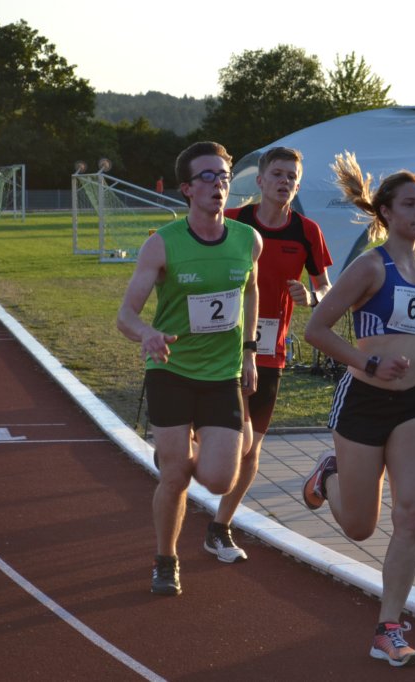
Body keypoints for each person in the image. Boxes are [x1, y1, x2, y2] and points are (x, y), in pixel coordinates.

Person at [301, 152, 415, 667]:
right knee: (360, 527)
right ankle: (329, 475)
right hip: (364, 400)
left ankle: (388, 627)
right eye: (410, 204)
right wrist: (367, 362)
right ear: (386, 213)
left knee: (411, 512)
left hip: (414, 402)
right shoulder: (370, 267)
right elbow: (317, 330)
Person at [116, 141, 262, 596]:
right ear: (187, 189)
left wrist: (249, 351)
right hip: (172, 369)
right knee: (176, 476)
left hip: (222, 373)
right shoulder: (162, 244)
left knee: (220, 479)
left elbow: (251, 290)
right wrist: (148, 334)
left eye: (224, 176)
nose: (219, 185)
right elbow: (125, 316)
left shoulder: (248, 240)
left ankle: (177, 450)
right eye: (207, 177)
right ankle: (166, 559)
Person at [209, 146, 334, 563]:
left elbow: (325, 287)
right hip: (221, 347)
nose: (285, 182)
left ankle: (219, 526)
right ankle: (192, 442)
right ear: (260, 180)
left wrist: (310, 296)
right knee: (237, 438)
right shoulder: (234, 221)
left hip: (268, 352)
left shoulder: (307, 231)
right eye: (278, 174)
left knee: (251, 451)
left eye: (292, 177)